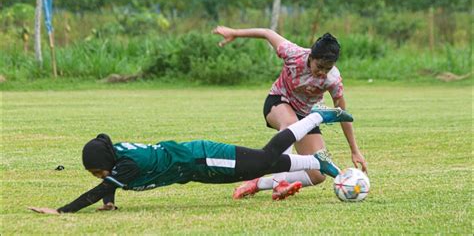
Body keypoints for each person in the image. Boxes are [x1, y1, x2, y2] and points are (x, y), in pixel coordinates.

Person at [29, 108, 352, 214]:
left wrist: (62, 211)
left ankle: (314, 117)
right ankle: (315, 160)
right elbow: (109, 183)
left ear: (105, 162)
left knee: (266, 158)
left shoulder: (124, 165)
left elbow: (102, 186)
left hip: (203, 157)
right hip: (197, 168)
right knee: (262, 164)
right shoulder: (118, 158)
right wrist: (110, 204)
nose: (97, 175)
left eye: (95, 169)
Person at [212, 26, 368, 200]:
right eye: (320, 66)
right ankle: (280, 185)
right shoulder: (293, 54)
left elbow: (342, 113)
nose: (322, 72)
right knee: (291, 123)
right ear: (311, 56)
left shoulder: (333, 80)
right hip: (279, 102)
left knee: (317, 175)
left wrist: (355, 150)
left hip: (307, 116)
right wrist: (235, 33)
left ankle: (258, 183)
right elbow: (266, 33)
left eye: (328, 68)